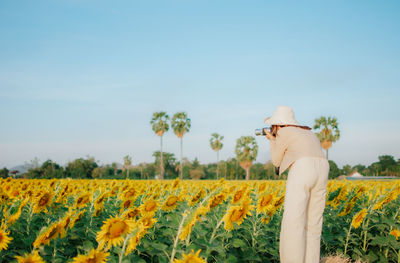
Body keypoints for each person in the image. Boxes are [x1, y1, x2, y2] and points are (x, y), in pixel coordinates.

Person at [263, 106, 329, 263]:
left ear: (278, 124)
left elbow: (276, 161)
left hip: (303, 168)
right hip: (323, 167)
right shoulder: (308, 132)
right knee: (313, 222)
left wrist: (273, 140)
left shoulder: (284, 132)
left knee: (294, 221)